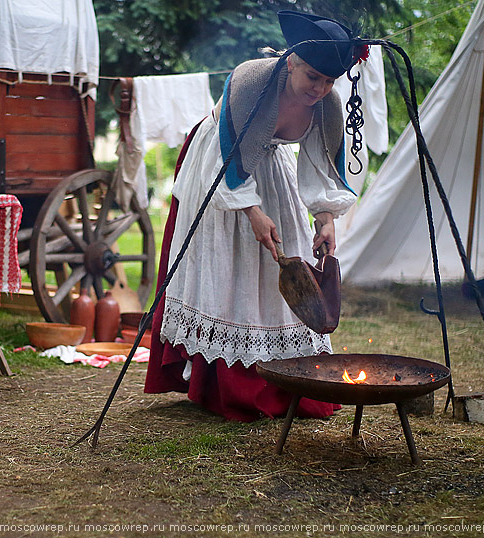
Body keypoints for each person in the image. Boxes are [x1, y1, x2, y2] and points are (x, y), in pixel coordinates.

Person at [144, 11, 365, 422]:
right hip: (219, 164)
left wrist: (325, 219)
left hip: (269, 165)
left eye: (329, 81)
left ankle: (284, 376)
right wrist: (252, 211)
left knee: (282, 258)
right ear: (292, 61)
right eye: (313, 77)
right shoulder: (251, 82)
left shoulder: (327, 105)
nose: (320, 89)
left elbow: (321, 165)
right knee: (231, 261)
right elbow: (230, 158)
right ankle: (224, 384)